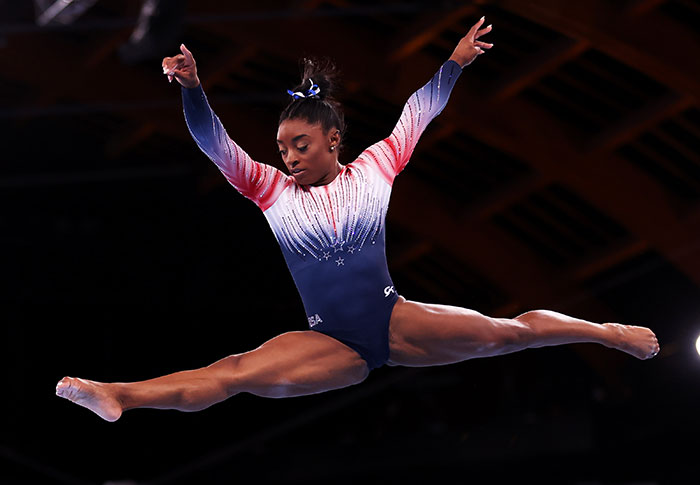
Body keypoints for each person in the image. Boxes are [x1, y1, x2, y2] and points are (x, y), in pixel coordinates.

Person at [56, 17, 659, 422]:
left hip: (394, 319)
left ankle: (607, 332)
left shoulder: (375, 169)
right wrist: (191, 89)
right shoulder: (269, 191)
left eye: (299, 146)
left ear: (332, 141)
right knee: (234, 372)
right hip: (329, 342)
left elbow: (417, 114)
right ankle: (119, 396)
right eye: (282, 148)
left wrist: (453, 63)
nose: (287, 159)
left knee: (509, 333)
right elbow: (213, 141)